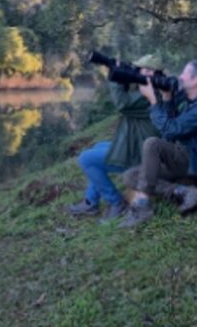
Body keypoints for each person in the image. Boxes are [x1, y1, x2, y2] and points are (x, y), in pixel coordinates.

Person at [120, 60, 197, 228]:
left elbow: (169, 131)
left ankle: (143, 206)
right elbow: (171, 123)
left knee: (152, 144)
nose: (180, 76)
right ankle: (184, 191)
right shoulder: (189, 98)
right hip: (181, 158)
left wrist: (153, 101)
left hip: (196, 163)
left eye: (185, 73)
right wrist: (166, 98)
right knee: (130, 176)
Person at [67, 55, 162, 221]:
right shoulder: (150, 89)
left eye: (146, 70)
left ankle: (116, 202)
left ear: (156, 73)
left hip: (141, 156)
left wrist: (115, 76)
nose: (140, 73)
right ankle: (90, 202)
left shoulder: (150, 94)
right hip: (137, 144)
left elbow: (122, 104)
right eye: (139, 70)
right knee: (99, 147)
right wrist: (123, 75)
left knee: (86, 159)